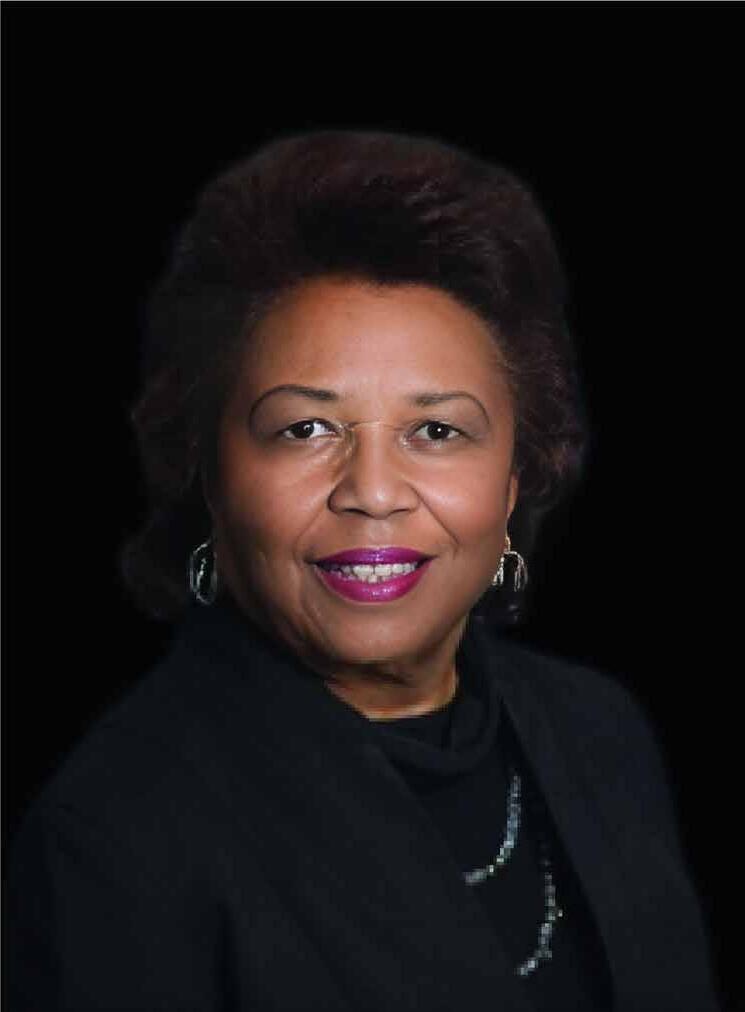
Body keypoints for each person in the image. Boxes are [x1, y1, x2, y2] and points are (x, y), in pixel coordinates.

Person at [4, 129, 722, 1012]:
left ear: (513, 478)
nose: (373, 493)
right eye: (305, 429)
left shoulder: (601, 733)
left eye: (437, 430)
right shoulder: (116, 840)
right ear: (210, 474)